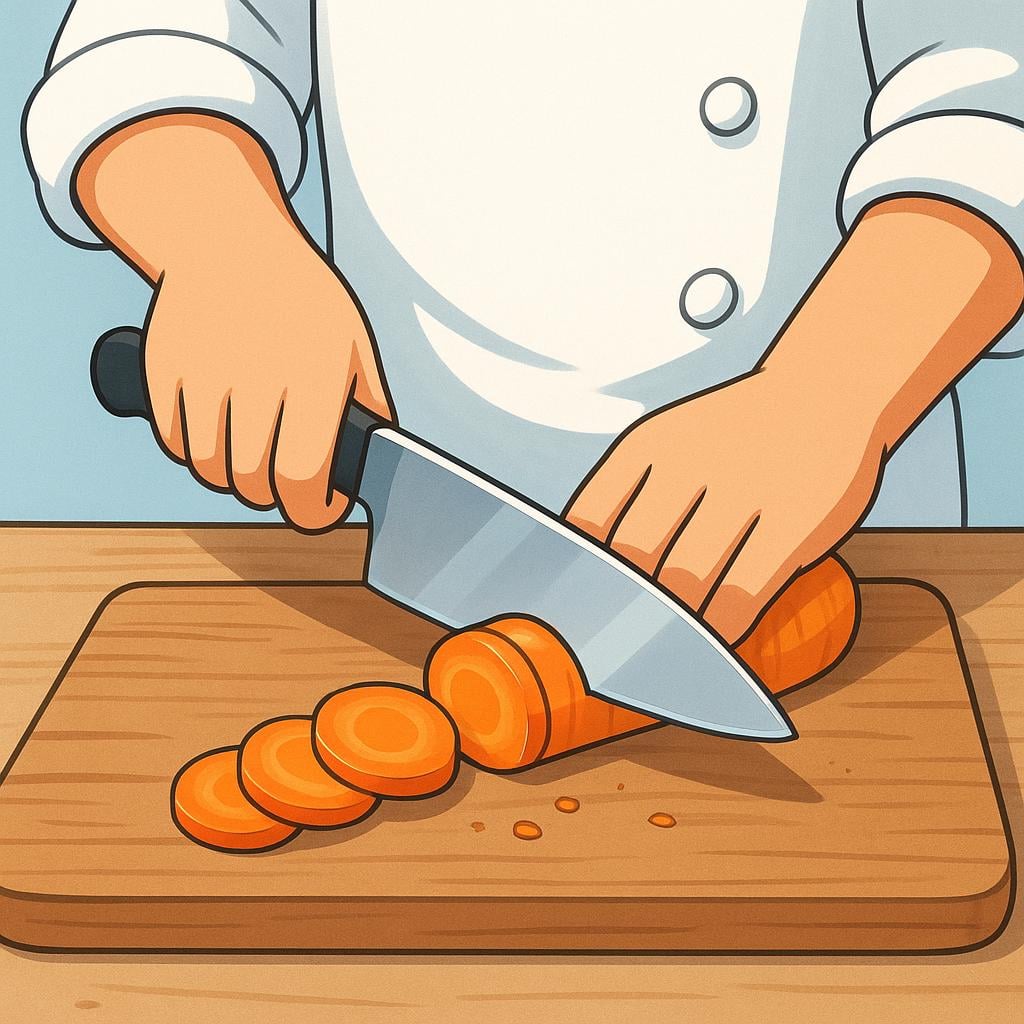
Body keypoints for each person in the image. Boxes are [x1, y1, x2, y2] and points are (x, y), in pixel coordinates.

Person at [23, 3, 1024, 645]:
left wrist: (826, 393)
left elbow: (990, 108)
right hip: (399, 530)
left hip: (823, 554)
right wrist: (226, 253)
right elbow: (155, 41)